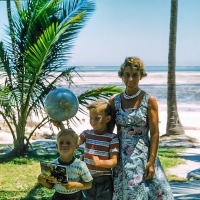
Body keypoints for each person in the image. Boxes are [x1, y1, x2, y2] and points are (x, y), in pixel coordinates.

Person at [109, 57, 174, 200]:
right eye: (127, 74)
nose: (130, 79)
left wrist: (151, 162)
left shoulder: (149, 100)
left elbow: (155, 133)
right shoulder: (114, 100)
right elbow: (107, 132)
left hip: (143, 157)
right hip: (121, 158)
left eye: (135, 75)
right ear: (122, 76)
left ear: (141, 76)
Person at [52, 101, 119, 200]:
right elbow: (72, 142)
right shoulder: (86, 134)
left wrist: (100, 163)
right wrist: (61, 126)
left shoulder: (112, 138)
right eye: (91, 118)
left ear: (107, 119)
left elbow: (114, 161)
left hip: (104, 180)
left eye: (97, 118)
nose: (93, 121)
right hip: (87, 177)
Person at [38, 128, 93, 200]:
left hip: (76, 196)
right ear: (56, 147)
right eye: (61, 143)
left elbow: (89, 184)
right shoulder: (53, 165)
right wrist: (42, 180)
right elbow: (51, 186)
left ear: (76, 147)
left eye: (68, 143)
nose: (64, 145)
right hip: (58, 196)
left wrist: (75, 185)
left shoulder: (80, 165)